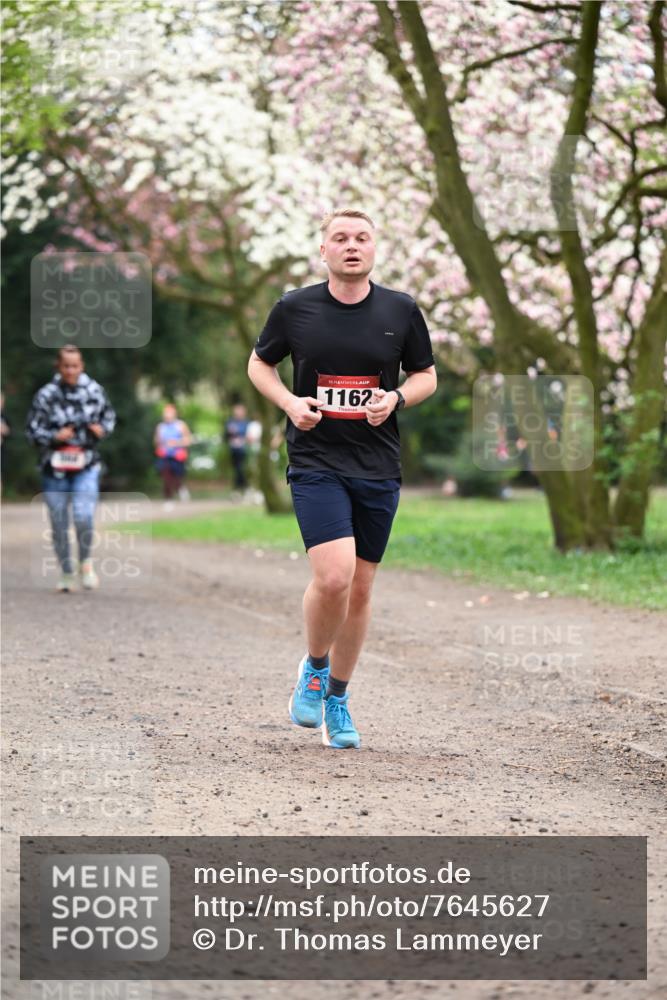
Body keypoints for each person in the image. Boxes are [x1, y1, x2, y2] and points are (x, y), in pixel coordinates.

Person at [248, 209, 437, 749]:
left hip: (377, 465)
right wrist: (290, 402)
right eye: (340, 238)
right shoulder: (295, 308)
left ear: (374, 248)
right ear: (324, 251)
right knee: (334, 577)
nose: (351, 245)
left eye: (362, 238)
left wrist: (395, 398)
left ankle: (338, 698)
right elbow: (259, 365)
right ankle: (314, 667)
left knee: (360, 587)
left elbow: (426, 376)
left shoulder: (400, 310)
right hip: (316, 461)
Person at [25, 344, 116, 592]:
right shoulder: (46, 395)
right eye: (66, 366)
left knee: (83, 516)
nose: (70, 370)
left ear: (81, 366)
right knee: (59, 523)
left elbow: (109, 419)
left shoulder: (94, 391)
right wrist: (54, 436)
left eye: (75, 366)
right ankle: (66, 571)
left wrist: (101, 430)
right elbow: (31, 431)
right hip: (53, 468)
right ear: (58, 366)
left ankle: (85, 563)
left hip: (86, 465)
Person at [154, 403, 192, 505]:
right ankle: (168, 499)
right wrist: (160, 444)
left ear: (174, 414)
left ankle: (181, 488)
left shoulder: (181, 425)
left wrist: (176, 443)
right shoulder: (160, 427)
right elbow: (156, 441)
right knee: (166, 477)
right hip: (165, 455)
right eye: (165, 414)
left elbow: (188, 440)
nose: (167, 416)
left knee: (177, 477)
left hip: (177, 456)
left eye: (169, 413)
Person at [224, 402, 249, 491]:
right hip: (234, 449)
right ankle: (240, 487)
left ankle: (241, 486)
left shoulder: (246, 423)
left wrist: (243, 440)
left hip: (244, 449)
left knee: (241, 468)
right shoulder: (230, 422)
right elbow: (226, 435)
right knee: (237, 468)